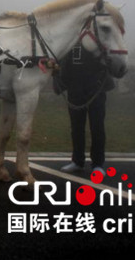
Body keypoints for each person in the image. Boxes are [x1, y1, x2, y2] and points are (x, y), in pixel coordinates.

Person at [57, 43, 116, 176]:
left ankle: (98, 164)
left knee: (97, 126)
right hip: (75, 87)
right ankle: (77, 161)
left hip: (96, 87)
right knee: (76, 127)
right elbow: (63, 59)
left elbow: (108, 59)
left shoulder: (96, 38)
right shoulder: (72, 38)